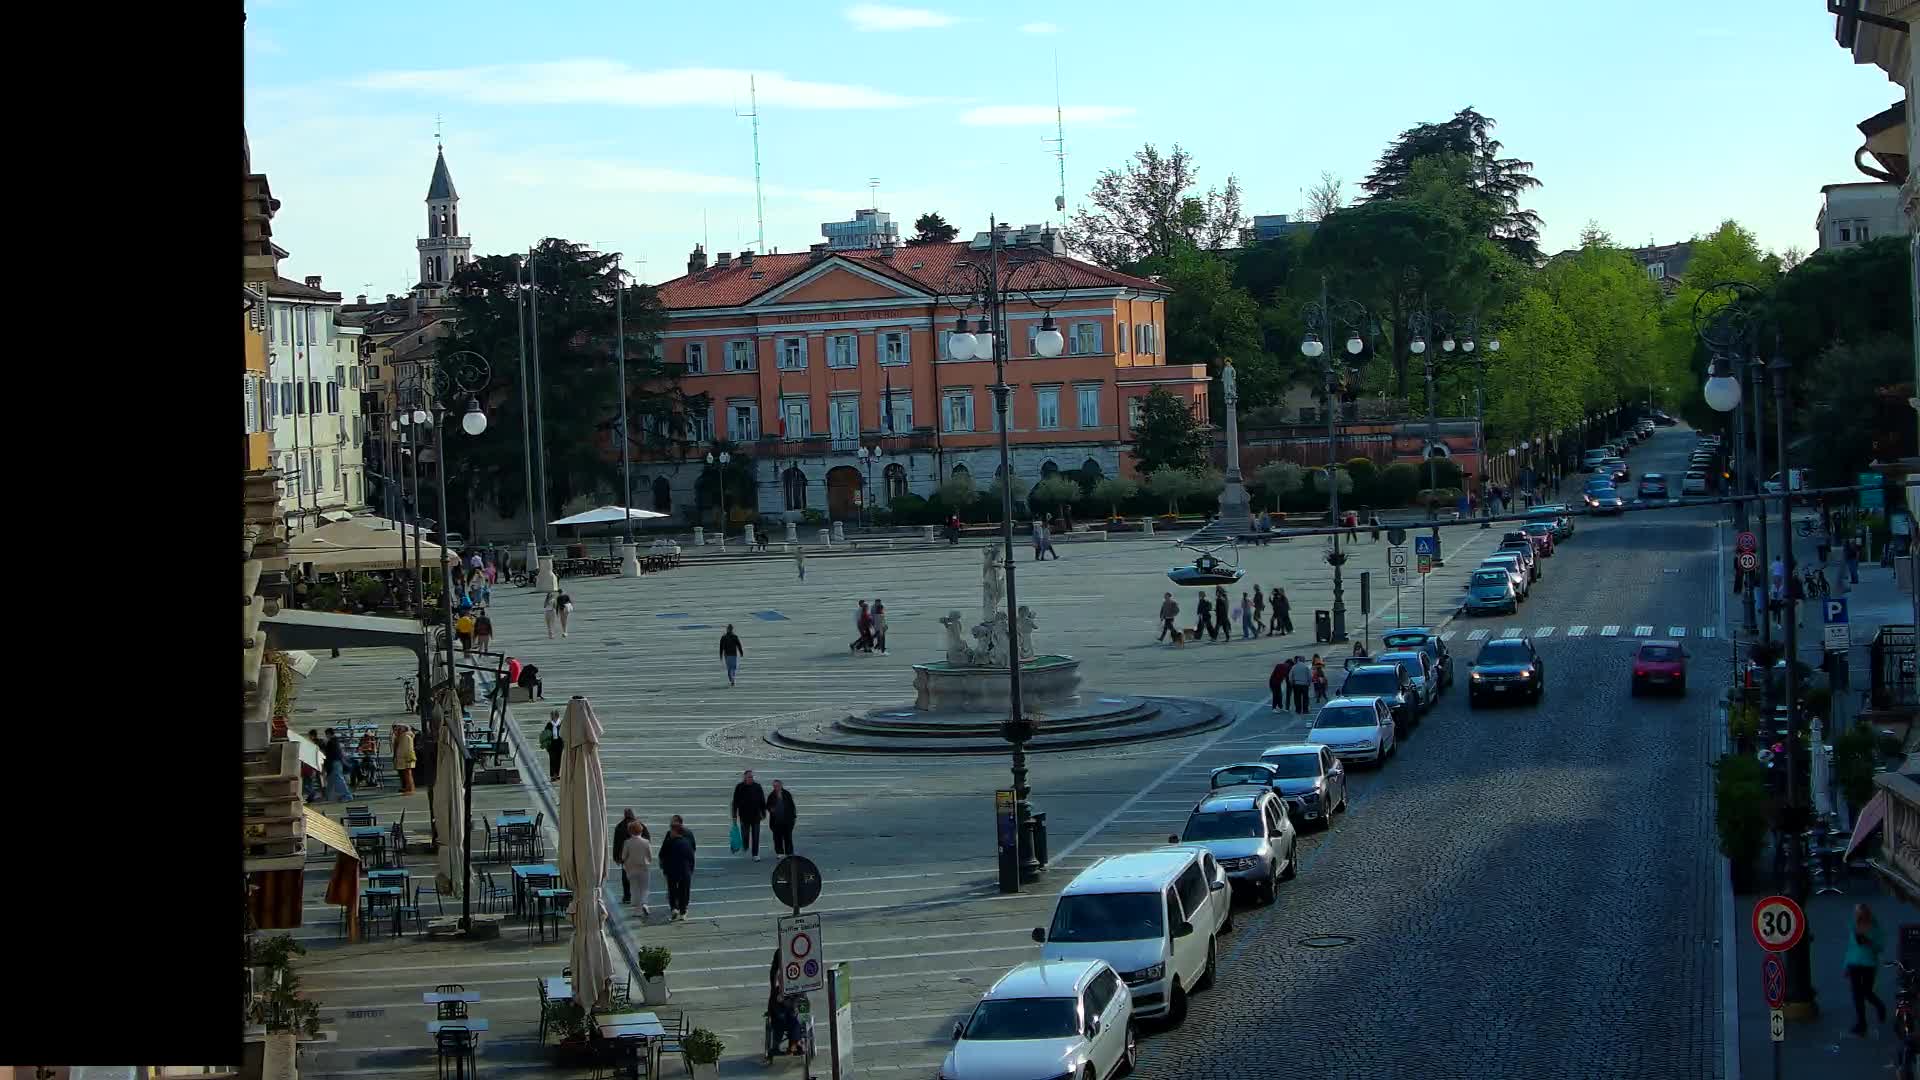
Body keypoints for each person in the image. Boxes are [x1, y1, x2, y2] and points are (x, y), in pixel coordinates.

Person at [1845, 902, 1888, 1036]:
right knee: (1857, 995)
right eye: (1857, 913)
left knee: (1867, 992)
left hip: (1869, 964)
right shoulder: (1853, 927)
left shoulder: (1876, 929)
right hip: (1854, 964)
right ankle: (1861, 1023)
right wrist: (1846, 965)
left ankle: (1880, 1006)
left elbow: (1880, 947)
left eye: (1861, 913)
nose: (1858, 915)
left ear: (1867, 913)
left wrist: (1869, 943)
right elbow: (1850, 948)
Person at [768, 950, 806, 1055]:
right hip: (780, 1015)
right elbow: (772, 1006)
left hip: (791, 1013)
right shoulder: (776, 991)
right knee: (782, 1022)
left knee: (794, 1021)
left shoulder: (795, 989)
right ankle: (792, 1044)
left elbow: (800, 1002)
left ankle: (794, 1044)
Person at [659, 815, 697, 921]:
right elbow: (692, 853)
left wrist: (663, 867)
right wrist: (691, 868)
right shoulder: (687, 840)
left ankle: (674, 908)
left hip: (671, 869)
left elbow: (662, 854)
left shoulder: (670, 840)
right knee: (684, 889)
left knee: (672, 889)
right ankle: (683, 910)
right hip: (685, 869)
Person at [620, 818, 654, 920]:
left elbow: (623, 856)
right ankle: (644, 903)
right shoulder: (646, 842)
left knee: (634, 888)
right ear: (641, 830)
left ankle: (637, 910)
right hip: (644, 867)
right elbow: (650, 856)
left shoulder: (627, 843)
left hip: (631, 868)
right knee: (644, 887)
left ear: (630, 831)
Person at [732, 769, 767, 861]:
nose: (751, 778)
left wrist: (763, 812)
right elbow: (735, 802)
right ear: (745, 777)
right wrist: (734, 815)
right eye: (749, 777)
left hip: (756, 816)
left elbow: (762, 800)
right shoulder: (739, 787)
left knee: (756, 836)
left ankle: (755, 854)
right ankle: (746, 844)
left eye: (752, 777)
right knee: (745, 835)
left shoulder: (757, 787)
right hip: (744, 816)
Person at [766, 780, 797, 856]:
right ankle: (779, 852)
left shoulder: (787, 794)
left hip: (787, 820)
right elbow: (768, 806)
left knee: (788, 837)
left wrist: (793, 817)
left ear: (781, 785)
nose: (776, 787)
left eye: (777, 786)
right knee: (777, 838)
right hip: (776, 821)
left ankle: (789, 852)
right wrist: (771, 809)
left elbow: (792, 806)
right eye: (774, 786)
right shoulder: (771, 795)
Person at [321, 728, 352, 802]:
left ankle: (347, 795)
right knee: (331, 780)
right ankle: (329, 797)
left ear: (328, 734)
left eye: (326, 734)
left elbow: (329, 754)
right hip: (337, 762)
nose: (326, 736)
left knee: (338, 780)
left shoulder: (331, 742)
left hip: (334, 763)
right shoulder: (335, 741)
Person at [613, 808, 637, 904]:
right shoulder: (639, 825)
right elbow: (646, 838)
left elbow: (616, 843)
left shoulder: (620, 826)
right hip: (637, 855)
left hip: (625, 856)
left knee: (625, 876)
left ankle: (627, 896)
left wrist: (616, 857)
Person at [540, 711, 563, 782]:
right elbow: (545, 733)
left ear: (557, 716)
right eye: (551, 716)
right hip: (551, 745)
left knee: (559, 760)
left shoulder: (561, 723)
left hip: (559, 744)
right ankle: (553, 775)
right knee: (552, 760)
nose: (552, 717)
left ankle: (558, 774)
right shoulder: (549, 724)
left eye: (552, 716)